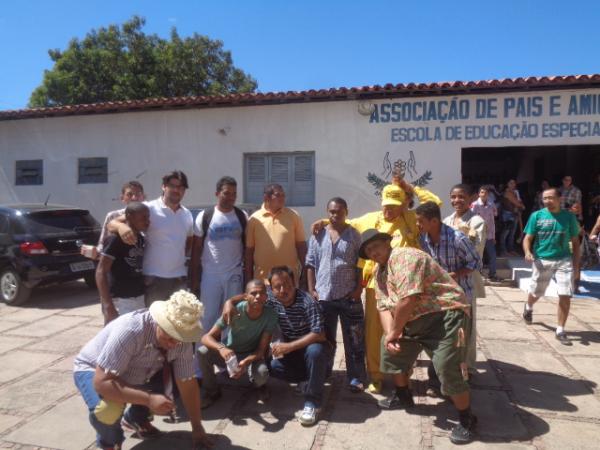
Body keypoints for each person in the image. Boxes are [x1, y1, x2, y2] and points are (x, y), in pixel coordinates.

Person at [312, 177, 442, 394]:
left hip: (405, 287)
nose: (389, 211)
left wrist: (412, 188)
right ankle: (375, 375)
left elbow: (435, 205)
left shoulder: (411, 220)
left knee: (405, 331)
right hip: (376, 285)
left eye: (394, 206)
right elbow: (345, 222)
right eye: (386, 206)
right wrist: (324, 222)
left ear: (403, 205)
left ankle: (403, 373)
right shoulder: (371, 219)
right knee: (373, 333)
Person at [359, 229, 477, 444]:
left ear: (387, 242)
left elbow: (408, 299)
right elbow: (384, 307)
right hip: (412, 320)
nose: (373, 252)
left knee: (447, 367)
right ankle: (403, 396)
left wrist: (395, 331)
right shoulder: (379, 272)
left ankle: (467, 418)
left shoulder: (405, 257)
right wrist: (391, 336)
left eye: (375, 245)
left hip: (445, 315)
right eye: (368, 250)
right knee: (390, 351)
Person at [73, 290, 212, 450]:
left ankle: (135, 418)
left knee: (173, 384)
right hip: (94, 369)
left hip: (138, 371)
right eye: (170, 335)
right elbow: (102, 383)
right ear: (159, 322)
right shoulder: (131, 330)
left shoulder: (182, 339)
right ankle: (109, 443)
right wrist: (148, 399)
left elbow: (187, 381)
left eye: (180, 337)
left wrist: (197, 427)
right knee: (107, 411)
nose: (175, 343)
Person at [224, 266, 330, 426]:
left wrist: (289, 347)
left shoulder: (307, 302)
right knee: (270, 367)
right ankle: (308, 378)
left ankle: (313, 402)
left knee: (315, 351)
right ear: (271, 290)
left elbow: (319, 334)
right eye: (277, 287)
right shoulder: (271, 298)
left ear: (294, 283)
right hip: (293, 353)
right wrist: (229, 301)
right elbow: (250, 296)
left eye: (287, 284)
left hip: (311, 348)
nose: (283, 290)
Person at [416, 202, 481, 391]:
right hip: (438, 297)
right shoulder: (423, 239)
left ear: (434, 221)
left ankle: (460, 381)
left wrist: (455, 275)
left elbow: (475, 263)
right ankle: (438, 380)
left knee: (459, 341)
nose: (418, 225)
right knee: (440, 336)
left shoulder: (458, 239)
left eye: (420, 221)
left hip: (460, 297)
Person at [305, 197, 366, 392]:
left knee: (354, 339)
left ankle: (355, 377)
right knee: (325, 338)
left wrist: (358, 289)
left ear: (346, 212)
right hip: (323, 297)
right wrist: (311, 289)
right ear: (327, 212)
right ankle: (324, 372)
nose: (334, 215)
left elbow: (361, 265)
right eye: (331, 211)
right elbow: (310, 263)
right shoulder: (317, 234)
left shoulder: (354, 236)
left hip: (349, 296)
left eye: (339, 211)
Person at [110, 171, 194, 306]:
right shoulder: (149, 208)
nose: (177, 190)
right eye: (173, 185)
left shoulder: (187, 215)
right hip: (154, 279)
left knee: (176, 324)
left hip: (179, 279)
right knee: (153, 323)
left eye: (181, 187)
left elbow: (188, 244)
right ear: (164, 187)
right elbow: (112, 223)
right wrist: (122, 228)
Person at [199, 279, 277, 408]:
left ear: (266, 297)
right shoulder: (234, 311)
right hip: (230, 353)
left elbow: (261, 351)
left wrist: (245, 362)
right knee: (202, 352)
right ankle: (211, 391)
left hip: (252, 355)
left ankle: (260, 386)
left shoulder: (270, 315)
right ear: (245, 297)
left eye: (262, 293)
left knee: (262, 375)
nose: (258, 296)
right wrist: (221, 348)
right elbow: (206, 337)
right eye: (253, 293)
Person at [522, 187, 581, 345]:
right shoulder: (537, 216)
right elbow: (528, 238)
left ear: (559, 199)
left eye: (550, 197)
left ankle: (560, 329)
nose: (547, 201)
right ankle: (528, 306)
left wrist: (576, 267)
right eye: (544, 198)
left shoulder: (569, 217)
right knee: (537, 292)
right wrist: (528, 252)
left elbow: (576, 243)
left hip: (564, 260)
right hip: (542, 260)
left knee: (565, 293)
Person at [190, 176, 247, 331]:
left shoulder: (242, 216)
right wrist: (194, 279)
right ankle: (202, 353)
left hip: (234, 274)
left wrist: (247, 276)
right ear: (217, 193)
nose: (231, 198)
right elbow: (196, 249)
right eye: (226, 193)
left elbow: (247, 247)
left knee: (232, 316)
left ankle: (227, 352)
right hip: (210, 275)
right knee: (207, 316)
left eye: (234, 194)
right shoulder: (205, 216)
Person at [95, 202, 149, 325]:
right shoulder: (115, 239)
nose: (147, 221)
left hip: (138, 296)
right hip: (121, 299)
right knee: (118, 338)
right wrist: (108, 305)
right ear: (129, 217)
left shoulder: (140, 238)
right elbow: (101, 271)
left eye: (148, 217)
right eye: (143, 218)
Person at [245, 184, 307, 286]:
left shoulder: (294, 216)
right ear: (266, 197)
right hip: (263, 282)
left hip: (288, 281)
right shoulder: (254, 219)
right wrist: (248, 279)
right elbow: (249, 251)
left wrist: (305, 272)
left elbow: (301, 246)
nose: (282, 198)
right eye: (278, 195)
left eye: (283, 195)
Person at [83, 181, 145, 260]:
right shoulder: (113, 216)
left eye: (138, 194)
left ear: (143, 197)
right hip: (119, 266)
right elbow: (103, 245)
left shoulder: (151, 215)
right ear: (122, 198)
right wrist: (95, 253)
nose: (134, 198)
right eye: (130, 194)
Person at [471, 186, 500, 281]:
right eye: (482, 192)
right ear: (479, 194)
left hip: (489, 235)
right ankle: (478, 275)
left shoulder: (491, 204)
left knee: (493, 255)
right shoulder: (474, 205)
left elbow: (493, 220)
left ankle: (492, 274)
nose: (484, 194)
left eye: (486, 193)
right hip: (478, 235)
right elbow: (471, 220)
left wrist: (494, 236)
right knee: (479, 255)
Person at [499, 179, 525, 256]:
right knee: (505, 233)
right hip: (507, 215)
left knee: (512, 233)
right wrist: (521, 205)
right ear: (507, 184)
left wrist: (520, 205)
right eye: (511, 183)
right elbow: (518, 203)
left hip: (514, 214)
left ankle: (510, 250)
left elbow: (520, 203)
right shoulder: (507, 193)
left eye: (514, 183)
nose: (513, 184)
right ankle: (503, 251)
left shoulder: (515, 193)